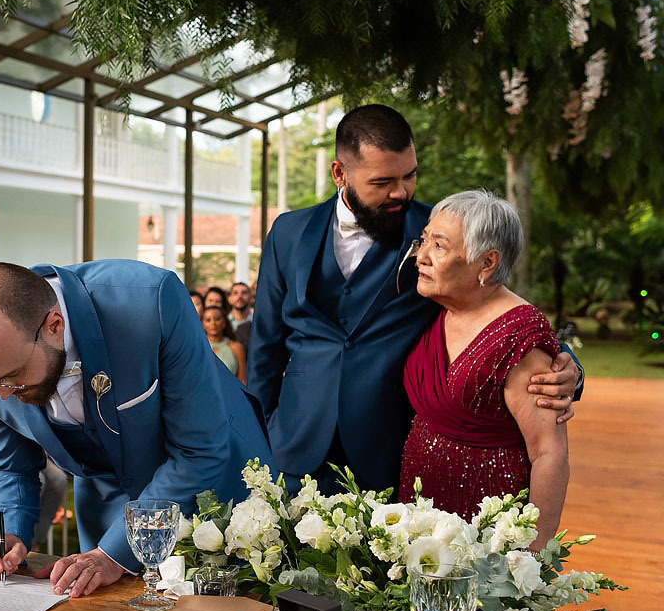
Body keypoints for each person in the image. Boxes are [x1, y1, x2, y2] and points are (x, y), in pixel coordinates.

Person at [247, 104, 579, 494]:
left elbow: (492, 304)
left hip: (389, 453)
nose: (400, 192)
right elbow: (264, 347)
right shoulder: (287, 232)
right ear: (340, 173)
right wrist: (258, 439)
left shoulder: (437, 234)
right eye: (383, 181)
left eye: (410, 175)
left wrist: (565, 365)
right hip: (292, 446)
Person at [0, 260, 272, 599]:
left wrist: (115, 553)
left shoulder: (151, 302)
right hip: (108, 514)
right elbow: (12, 466)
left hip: (217, 495)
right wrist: (10, 532)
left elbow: (198, 450)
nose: (2, 394)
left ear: (54, 326)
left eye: (12, 376)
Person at [400, 191, 567, 549]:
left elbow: (549, 453)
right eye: (423, 240)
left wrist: (534, 553)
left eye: (439, 246)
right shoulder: (438, 306)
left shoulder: (520, 335)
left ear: (487, 262)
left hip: (487, 523)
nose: (421, 256)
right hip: (418, 508)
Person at [202, 306, 246, 383]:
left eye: (217, 319)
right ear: (203, 324)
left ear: (224, 322)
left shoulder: (236, 347)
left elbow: (242, 381)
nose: (213, 323)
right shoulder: (198, 347)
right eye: (208, 320)